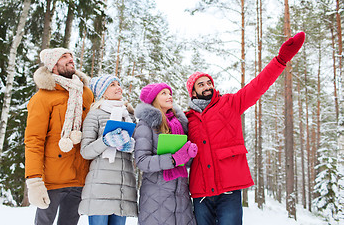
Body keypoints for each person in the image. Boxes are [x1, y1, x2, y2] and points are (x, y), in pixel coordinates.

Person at [185, 32, 306, 225]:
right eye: (201, 84)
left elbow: (258, 86)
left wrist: (280, 60)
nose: (207, 86)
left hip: (230, 189)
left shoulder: (230, 103)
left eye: (209, 82)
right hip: (201, 193)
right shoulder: (187, 118)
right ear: (192, 91)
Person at [24, 48, 94, 225]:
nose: (70, 59)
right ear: (53, 65)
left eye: (71, 56)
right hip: (52, 180)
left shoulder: (85, 93)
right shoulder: (42, 97)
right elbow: (34, 140)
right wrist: (34, 180)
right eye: (64, 57)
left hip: (79, 176)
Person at [133, 83, 198, 225]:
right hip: (156, 195)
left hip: (181, 194)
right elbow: (142, 161)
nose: (169, 96)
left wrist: (189, 154)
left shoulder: (179, 124)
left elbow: (183, 161)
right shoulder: (146, 124)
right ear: (154, 98)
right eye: (164, 93)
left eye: (170, 93)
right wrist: (173, 159)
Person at [78, 74, 138, 225]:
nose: (118, 87)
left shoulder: (129, 115)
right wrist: (106, 141)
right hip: (100, 187)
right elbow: (85, 151)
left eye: (118, 84)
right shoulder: (95, 114)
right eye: (112, 85)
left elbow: (139, 146)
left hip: (123, 187)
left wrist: (132, 146)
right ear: (103, 91)